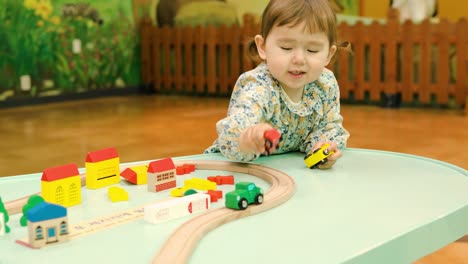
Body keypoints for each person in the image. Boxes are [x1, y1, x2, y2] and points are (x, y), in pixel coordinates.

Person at [204, 0, 350, 169]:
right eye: (286, 47)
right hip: (240, 170)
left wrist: (323, 148)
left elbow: (328, 128)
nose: (299, 59)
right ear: (262, 47)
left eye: (312, 50)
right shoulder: (258, 86)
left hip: (293, 172)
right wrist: (246, 139)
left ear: (328, 54)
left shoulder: (325, 84)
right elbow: (237, 126)